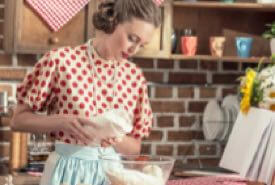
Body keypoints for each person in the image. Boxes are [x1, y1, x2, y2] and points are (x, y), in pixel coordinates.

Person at [11, 0, 162, 184]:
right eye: (132, 38)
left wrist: (114, 138)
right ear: (113, 20)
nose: (134, 50)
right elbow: (18, 120)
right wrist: (60, 122)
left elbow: (134, 148)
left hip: (111, 174)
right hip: (65, 172)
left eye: (142, 45)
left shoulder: (134, 78)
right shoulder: (61, 61)